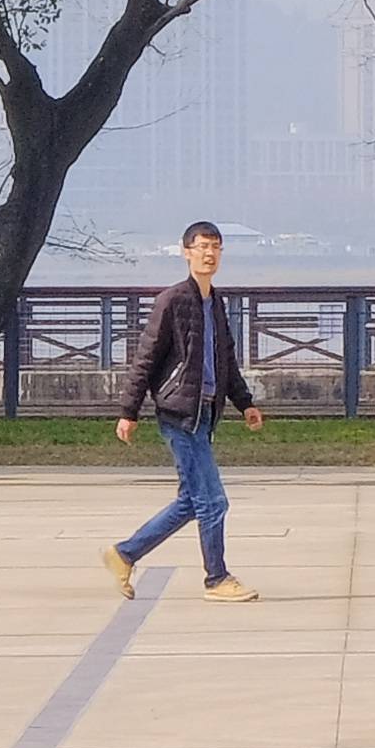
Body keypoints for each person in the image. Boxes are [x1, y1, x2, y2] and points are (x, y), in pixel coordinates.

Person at [107, 217, 260, 605]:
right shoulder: (173, 300)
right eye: (202, 247)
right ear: (186, 251)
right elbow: (146, 357)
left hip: (204, 412)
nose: (209, 254)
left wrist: (245, 403)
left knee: (192, 501)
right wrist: (129, 410)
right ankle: (217, 578)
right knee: (213, 502)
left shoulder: (215, 301)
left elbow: (224, 358)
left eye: (215, 248)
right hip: (178, 412)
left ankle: (124, 554)